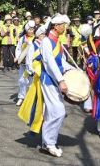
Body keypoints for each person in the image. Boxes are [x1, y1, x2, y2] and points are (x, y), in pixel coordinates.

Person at [37, 14, 74, 157]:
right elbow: (49, 64)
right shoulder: (47, 42)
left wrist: (73, 70)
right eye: (63, 25)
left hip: (55, 79)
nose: (65, 28)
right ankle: (49, 143)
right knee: (58, 112)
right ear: (56, 26)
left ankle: (47, 142)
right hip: (49, 80)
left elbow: (60, 62)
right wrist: (61, 80)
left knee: (52, 112)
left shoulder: (56, 41)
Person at [15, 20, 36, 104]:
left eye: (32, 29)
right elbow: (18, 48)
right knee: (22, 80)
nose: (31, 31)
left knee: (32, 81)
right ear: (26, 29)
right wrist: (17, 57)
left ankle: (31, 98)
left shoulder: (36, 38)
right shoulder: (22, 38)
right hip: (23, 63)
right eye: (29, 29)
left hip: (32, 63)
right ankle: (21, 97)